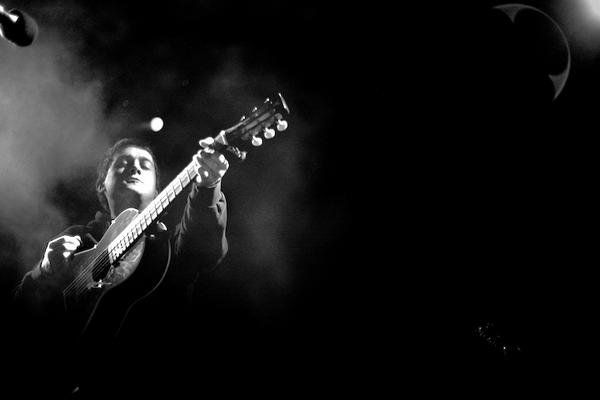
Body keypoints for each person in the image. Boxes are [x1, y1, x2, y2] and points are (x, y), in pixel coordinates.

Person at [10, 136, 229, 398]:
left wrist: (208, 188)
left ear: (158, 190)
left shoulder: (169, 246)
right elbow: (19, 315)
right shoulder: (78, 240)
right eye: (122, 163)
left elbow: (204, 251)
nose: (135, 167)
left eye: (145, 165)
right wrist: (43, 271)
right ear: (102, 185)